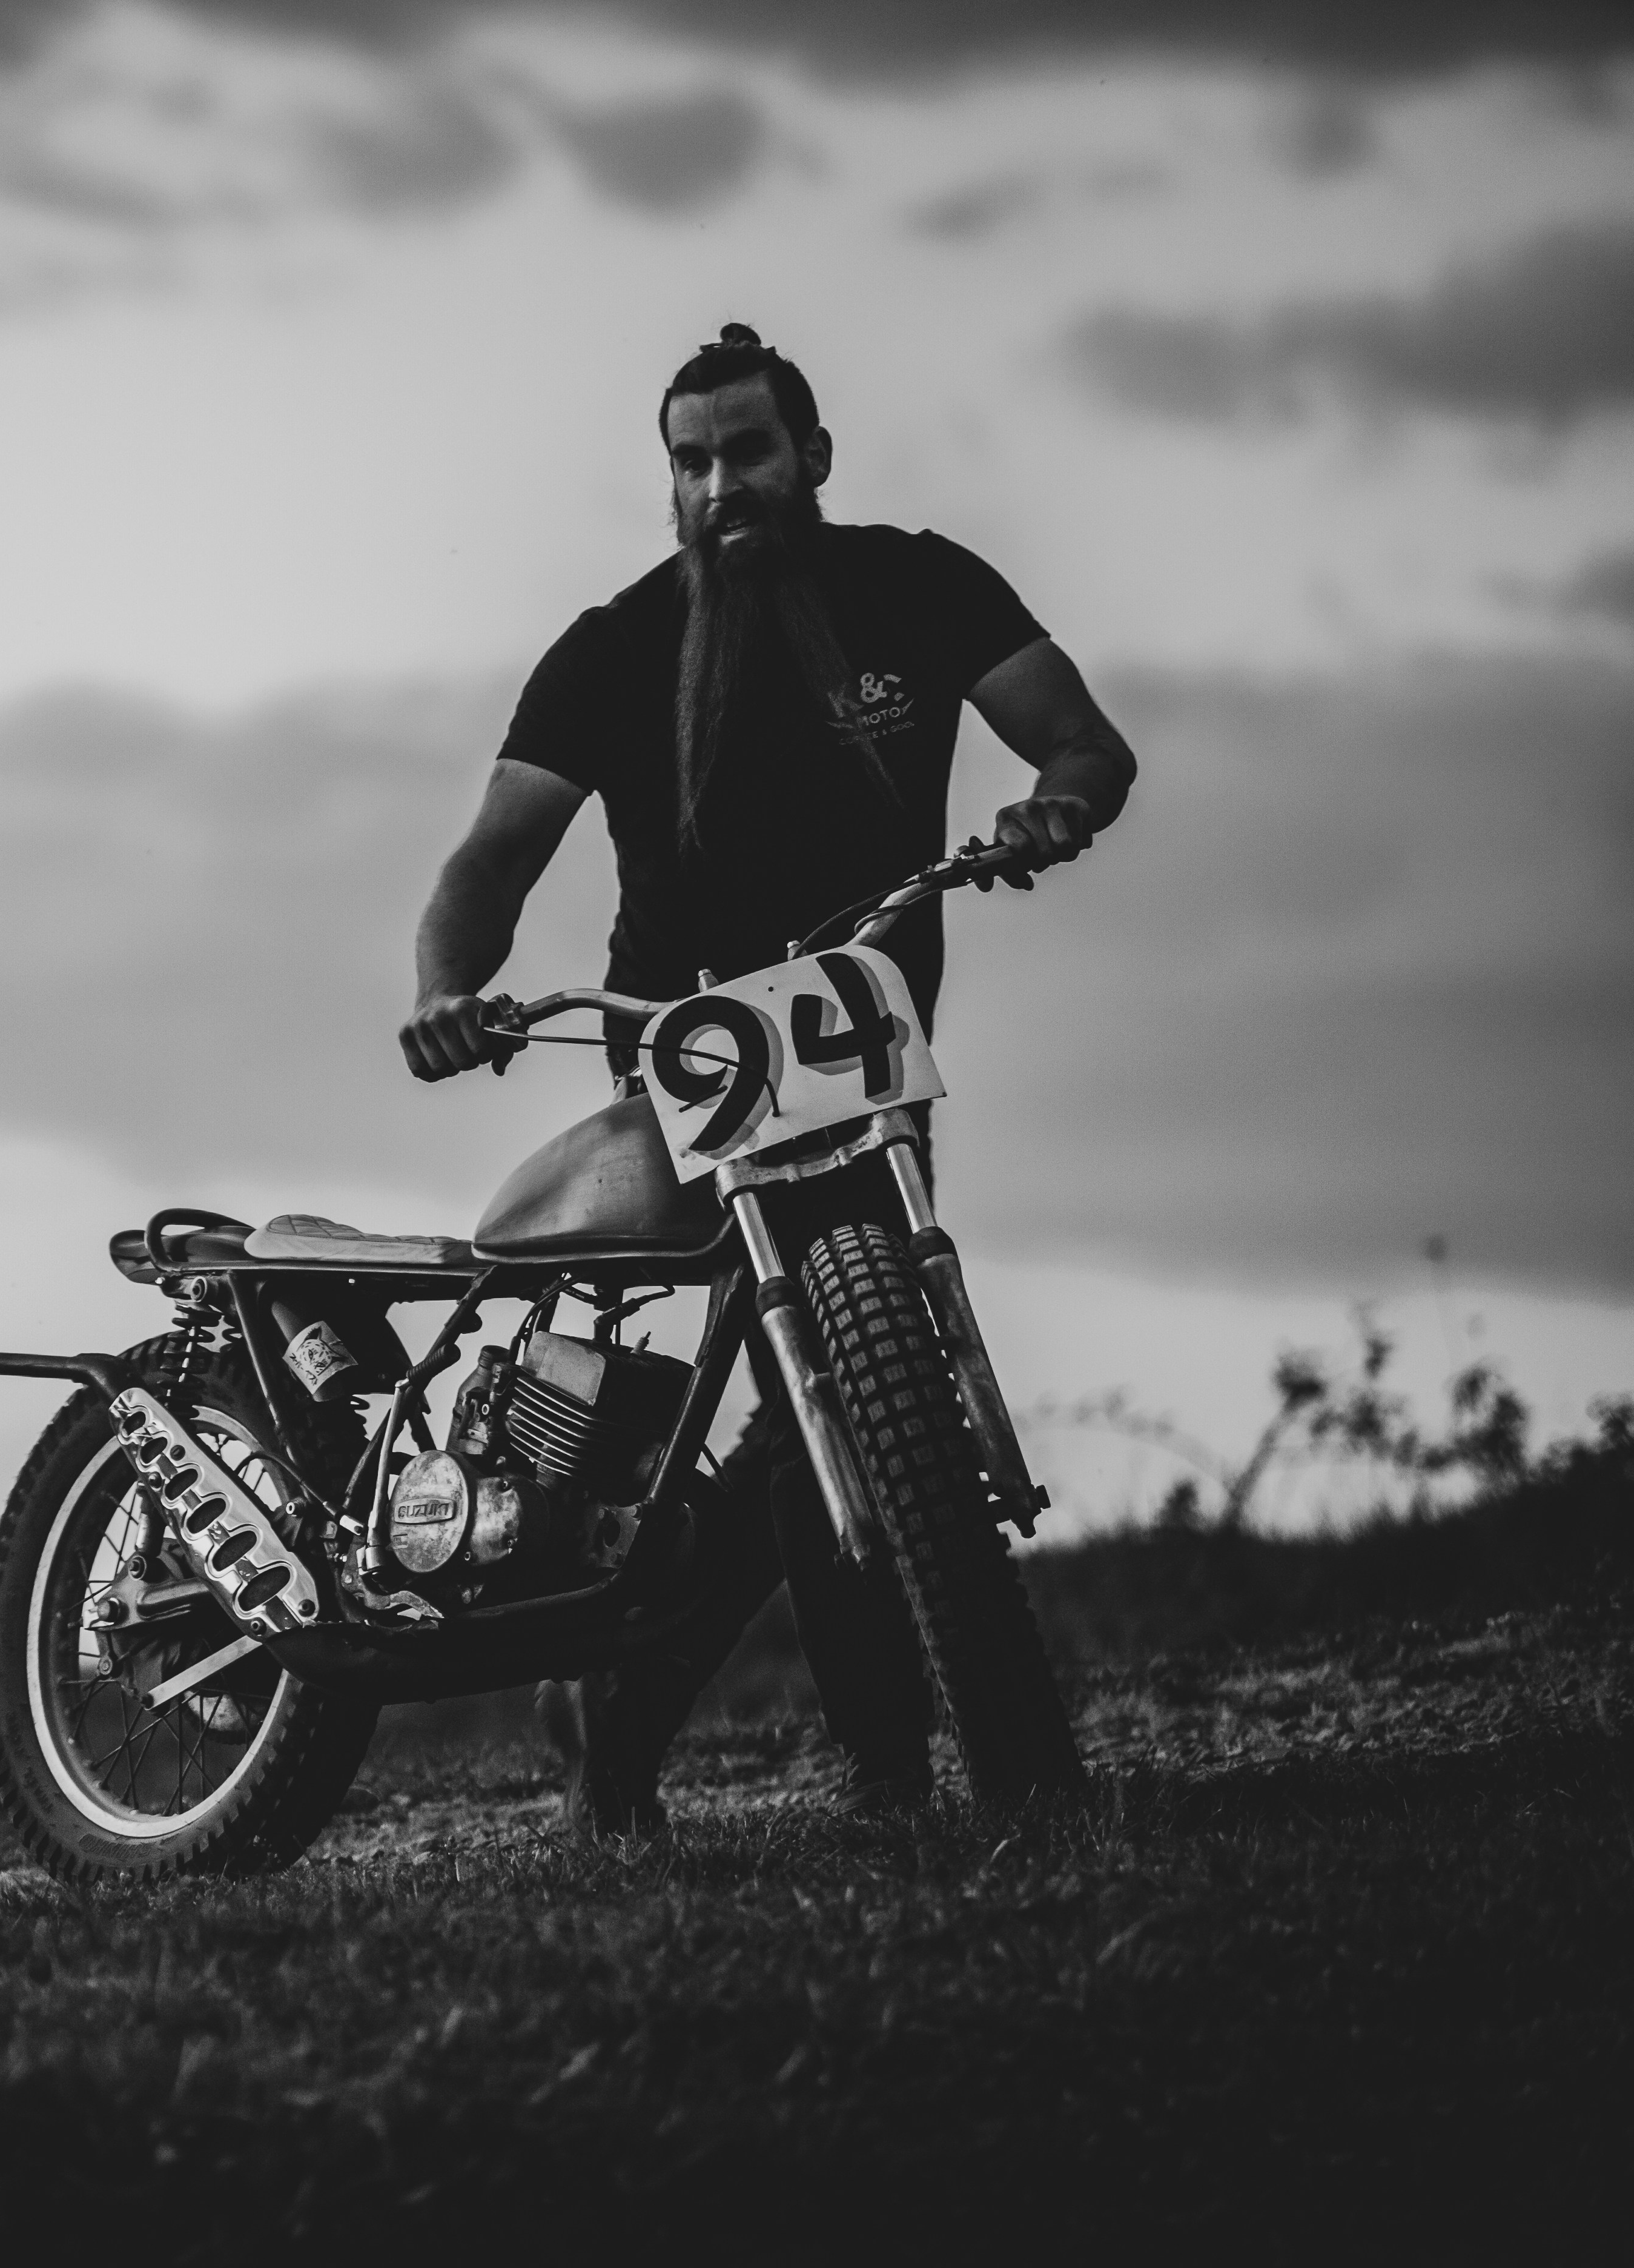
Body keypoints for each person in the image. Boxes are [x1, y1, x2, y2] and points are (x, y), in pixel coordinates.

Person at [397, 326, 1138, 1834]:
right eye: (690, 461)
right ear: (667, 480)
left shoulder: (921, 586)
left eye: (746, 450)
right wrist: (446, 991)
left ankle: (638, 1715)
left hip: (865, 1037)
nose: (720, 484)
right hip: (687, 1045)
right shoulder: (611, 649)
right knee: (858, 1384)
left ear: (811, 455)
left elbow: (1081, 739)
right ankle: (878, 1765)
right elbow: (493, 856)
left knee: (845, 1388)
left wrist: (1054, 806)